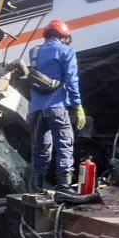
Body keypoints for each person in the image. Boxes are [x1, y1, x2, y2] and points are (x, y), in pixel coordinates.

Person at [28, 19, 85, 194]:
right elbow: (71, 80)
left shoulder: (34, 52)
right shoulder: (66, 51)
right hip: (57, 107)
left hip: (36, 109)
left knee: (41, 149)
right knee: (64, 144)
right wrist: (77, 105)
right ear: (63, 36)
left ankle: (35, 187)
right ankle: (64, 186)